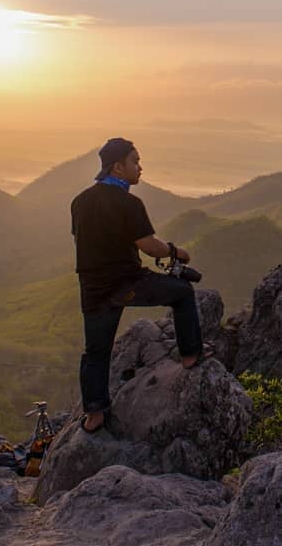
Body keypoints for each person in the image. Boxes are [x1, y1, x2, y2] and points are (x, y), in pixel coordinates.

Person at [70, 137, 211, 435]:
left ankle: (94, 414)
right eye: (135, 161)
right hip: (127, 282)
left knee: (96, 350)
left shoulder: (80, 202)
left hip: (93, 288)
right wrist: (176, 252)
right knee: (182, 292)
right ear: (118, 167)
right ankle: (190, 355)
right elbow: (149, 246)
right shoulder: (129, 203)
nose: (140, 167)